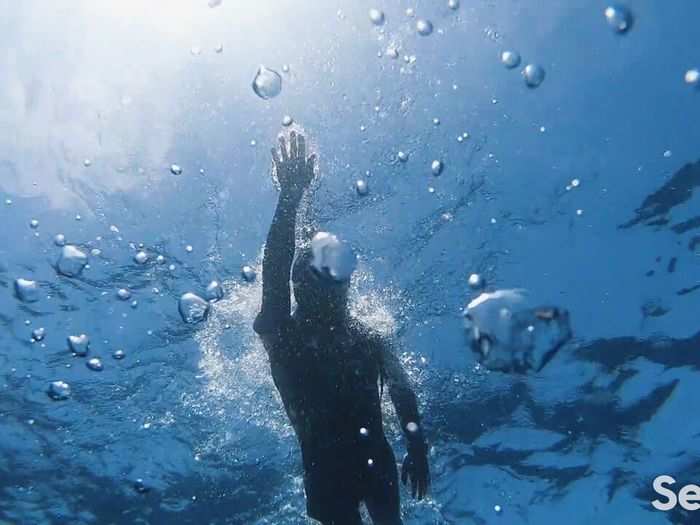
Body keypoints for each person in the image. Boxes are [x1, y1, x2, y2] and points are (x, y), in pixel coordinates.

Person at [253, 131, 430, 525]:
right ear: (301, 286)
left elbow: (401, 389)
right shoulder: (286, 333)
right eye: (325, 277)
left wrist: (417, 444)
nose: (335, 288)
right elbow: (274, 272)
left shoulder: (368, 337)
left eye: (339, 276)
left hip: (366, 463)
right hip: (327, 470)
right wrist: (290, 195)